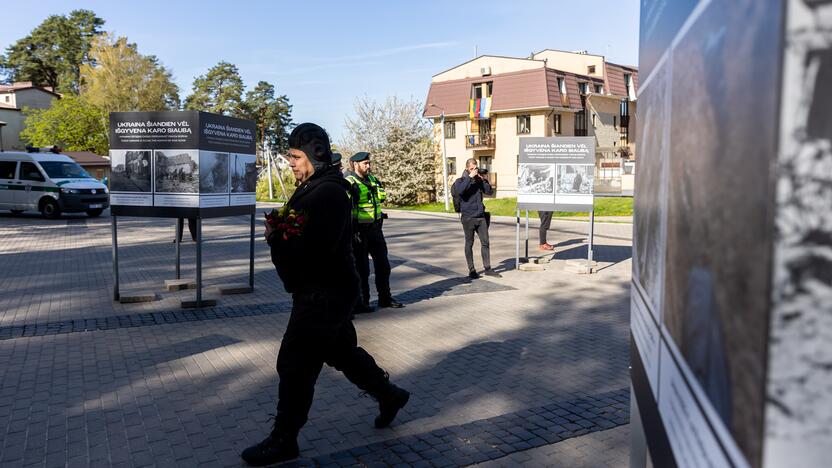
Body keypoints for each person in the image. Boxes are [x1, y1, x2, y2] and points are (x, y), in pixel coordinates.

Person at [241, 123, 410, 466]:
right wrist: (282, 232)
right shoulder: (318, 187)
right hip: (326, 289)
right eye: (289, 155)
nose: (289, 161)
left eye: (295, 155)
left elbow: (315, 250)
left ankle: (284, 439)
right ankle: (389, 395)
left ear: (315, 155)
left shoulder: (329, 193)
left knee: (294, 363)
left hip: (324, 293)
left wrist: (277, 238)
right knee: (342, 353)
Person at [344, 152, 404, 313]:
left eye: (369, 163)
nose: (368, 166)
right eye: (365, 163)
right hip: (359, 232)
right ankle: (362, 302)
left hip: (376, 229)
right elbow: (345, 208)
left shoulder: (372, 179)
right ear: (355, 164)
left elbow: (381, 198)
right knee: (362, 269)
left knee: (384, 266)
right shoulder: (349, 182)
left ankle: (385, 298)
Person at [452, 158, 502, 279]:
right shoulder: (460, 181)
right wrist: (470, 177)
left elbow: (489, 191)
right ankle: (472, 270)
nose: (474, 170)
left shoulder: (478, 180)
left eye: (475, 168)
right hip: (468, 217)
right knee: (469, 243)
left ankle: (488, 268)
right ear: (467, 169)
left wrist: (483, 179)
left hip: (480, 217)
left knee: (485, 242)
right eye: (471, 168)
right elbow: (460, 191)